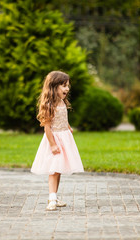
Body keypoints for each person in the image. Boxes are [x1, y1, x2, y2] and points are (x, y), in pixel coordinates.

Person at [31, 70, 84, 211]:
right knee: (53, 170)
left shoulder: (61, 102)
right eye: (63, 85)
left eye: (68, 85)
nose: (67, 88)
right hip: (54, 140)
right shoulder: (49, 105)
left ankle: (54, 196)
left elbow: (62, 118)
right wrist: (53, 145)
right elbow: (47, 128)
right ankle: (52, 199)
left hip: (64, 139)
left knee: (58, 169)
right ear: (54, 87)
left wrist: (68, 126)